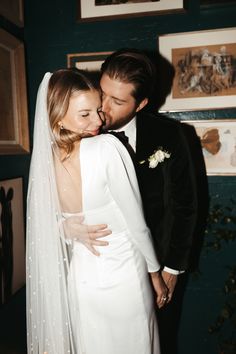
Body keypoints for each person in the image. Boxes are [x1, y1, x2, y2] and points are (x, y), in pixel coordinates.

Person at [26, 68, 168, 354]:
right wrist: (155, 275)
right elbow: (137, 225)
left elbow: (45, 221)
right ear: (58, 117)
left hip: (82, 282)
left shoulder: (44, 162)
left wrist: (64, 228)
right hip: (125, 279)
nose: (99, 120)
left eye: (97, 110)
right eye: (85, 114)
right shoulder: (106, 148)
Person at [99, 48, 198, 354]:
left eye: (116, 101)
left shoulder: (170, 136)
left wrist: (172, 269)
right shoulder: (80, 128)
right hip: (100, 267)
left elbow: (186, 206)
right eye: (101, 93)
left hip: (155, 266)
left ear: (141, 104)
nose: (102, 108)